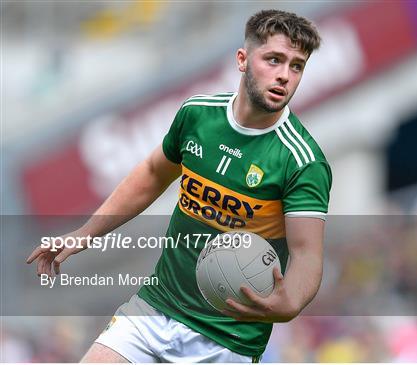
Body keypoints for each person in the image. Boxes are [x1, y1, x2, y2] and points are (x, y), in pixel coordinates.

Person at [27, 9, 331, 363]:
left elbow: (307, 254)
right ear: (243, 60)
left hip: (227, 341)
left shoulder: (302, 160)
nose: (284, 76)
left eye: (296, 66)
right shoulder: (197, 114)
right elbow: (153, 173)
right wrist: (87, 232)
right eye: (274, 60)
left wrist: (290, 300)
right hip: (154, 310)